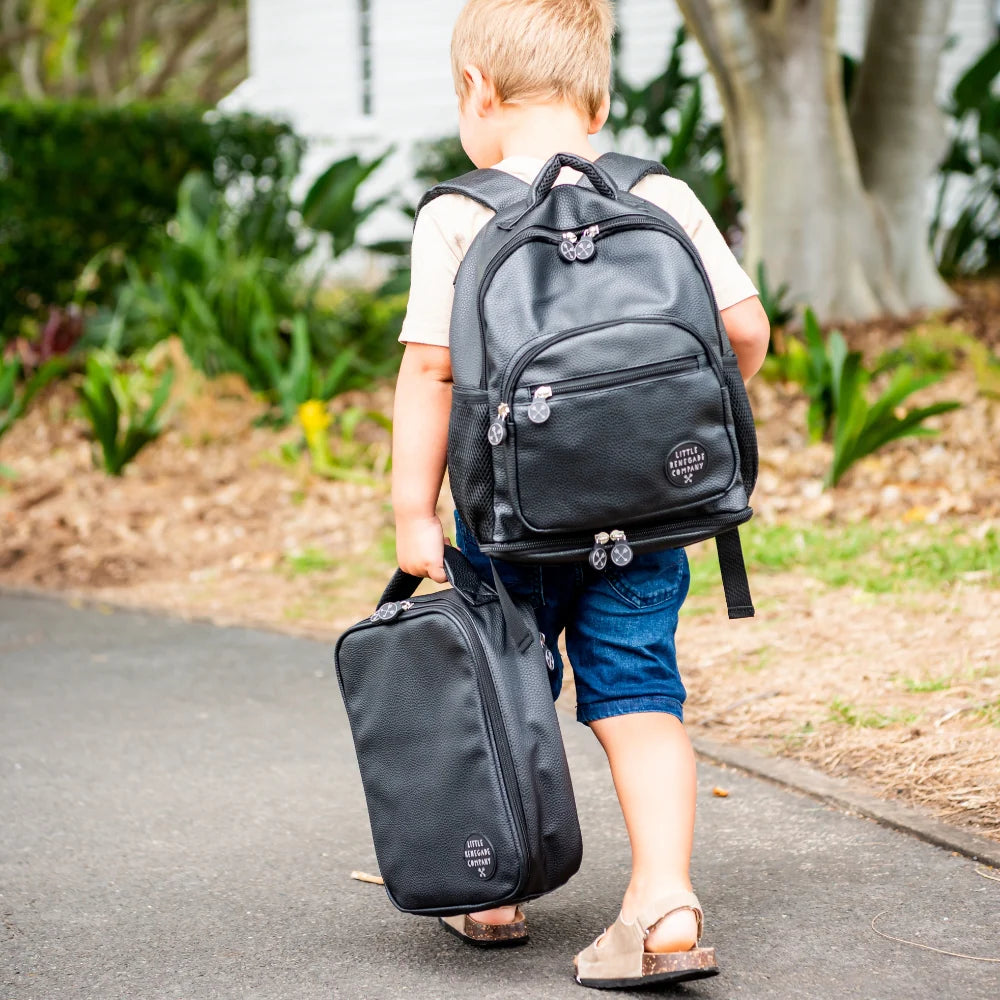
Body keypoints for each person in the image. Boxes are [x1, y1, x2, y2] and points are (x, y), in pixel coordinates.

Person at [390, 0, 770, 987]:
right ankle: (664, 905)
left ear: (476, 92)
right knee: (640, 694)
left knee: (503, 692)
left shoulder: (458, 212)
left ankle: (494, 885)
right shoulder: (663, 194)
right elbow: (745, 329)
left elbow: (431, 370)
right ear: (595, 99)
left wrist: (411, 513)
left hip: (508, 522)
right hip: (649, 516)